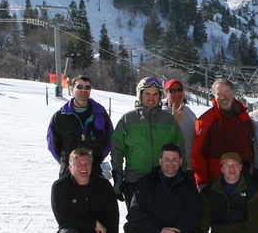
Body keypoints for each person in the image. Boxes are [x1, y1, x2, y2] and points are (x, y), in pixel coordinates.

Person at [111, 77, 183, 209]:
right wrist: (118, 177)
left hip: (163, 179)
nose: (151, 98)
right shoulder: (128, 119)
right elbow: (117, 150)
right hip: (134, 179)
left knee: (161, 221)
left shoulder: (168, 120)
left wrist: (182, 176)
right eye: (147, 94)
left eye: (155, 94)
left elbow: (180, 149)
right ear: (140, 95)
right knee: (137, 221)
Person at [191, 78, 254, 189]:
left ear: (233, 93)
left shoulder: (243, 114)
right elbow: (198, 153)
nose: (223, 97)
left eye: (227, 92)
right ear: (214, 96)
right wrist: (201, 181)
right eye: (219, 93)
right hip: (217, 177)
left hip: (243, 173)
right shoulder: (206, 120)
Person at [47, 75, 113, 179]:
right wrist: (69, 163)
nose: (83, 90)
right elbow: (53, 145)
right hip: (69, 173)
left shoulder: (100, 114)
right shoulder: (60, 116)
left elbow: (109, 140)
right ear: (72, 89)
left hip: (95, 171)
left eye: (87, 87)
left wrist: (94, 160)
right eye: (79, 87)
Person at [163, 78, 198, 162]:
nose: (177, 93)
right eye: (172, 90)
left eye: (179, 89)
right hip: (172, 167)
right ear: (166, 95)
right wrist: (174, 123)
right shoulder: (161, 114)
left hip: (192, 165)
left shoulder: (189, 111)